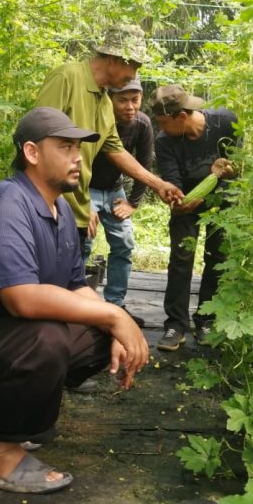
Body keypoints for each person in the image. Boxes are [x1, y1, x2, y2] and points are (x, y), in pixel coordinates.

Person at [0, 107, 149, 494]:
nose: (77, 157)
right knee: (47, 337)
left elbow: (76, 285)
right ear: (32, 153)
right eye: (66, 147)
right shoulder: (7, 204)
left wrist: (115, 322)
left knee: (99, 331)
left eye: (79, 148)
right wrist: (113, 315)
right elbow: (21, 298)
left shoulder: (61, 211)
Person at [35, 24, 182, 255]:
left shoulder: (105, 103)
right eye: (134, 66)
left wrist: (159, 184)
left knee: (71, 274)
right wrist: (58, 203)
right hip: (49, 210)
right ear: (114, 59)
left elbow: (116, 151)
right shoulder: (67, 77)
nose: (134, 75)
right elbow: (38, 138)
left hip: (76, 213)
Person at [150, 84, 240, 351]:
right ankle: (175, 325)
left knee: (217, 258)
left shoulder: (225, 122)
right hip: (187, 205)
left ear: (181, 116)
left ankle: (206, 320)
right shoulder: (164, 141)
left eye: (163, 122)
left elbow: (241, 164)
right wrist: (177, 202)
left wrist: (226, 172)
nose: (160, 128)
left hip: (222, 203)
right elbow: (172, 180)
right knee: (181, 259)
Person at [85, 77, 154, 328]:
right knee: (82, 241)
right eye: (122, 100)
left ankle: (116, 304)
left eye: (135, 100)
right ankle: (77, 302)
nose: (130, 106)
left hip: (115, 190)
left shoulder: (142, 124)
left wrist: (133, 203)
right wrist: (82, 203)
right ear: (109, 99)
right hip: (87, 188)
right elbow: (76, 161)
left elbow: (144, 165)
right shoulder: (94, 119)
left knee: (124, 243)